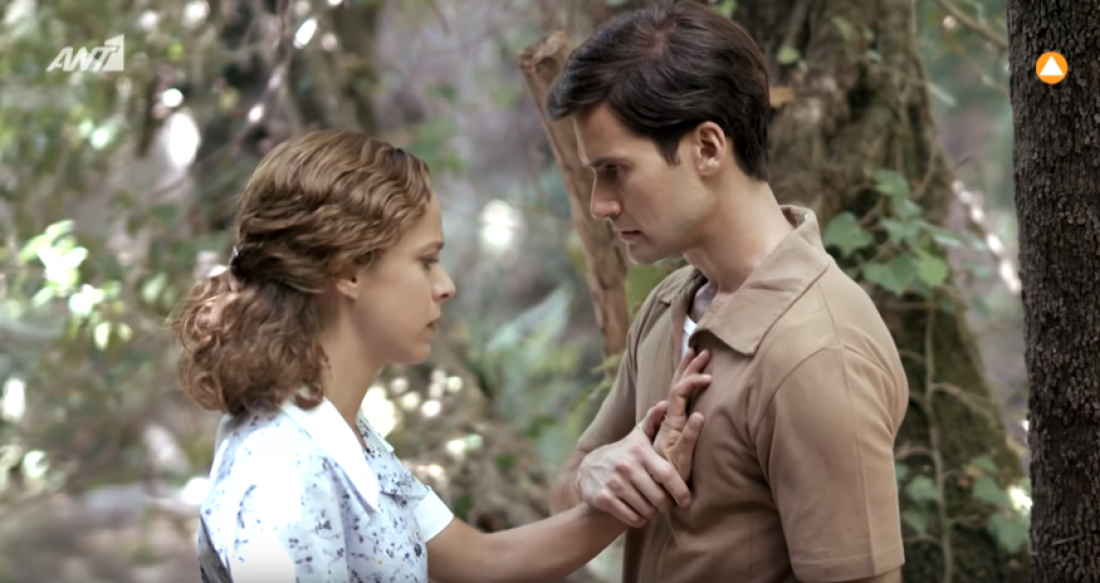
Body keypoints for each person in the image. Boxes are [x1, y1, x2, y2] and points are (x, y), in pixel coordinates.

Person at [169, 128, 712, 583]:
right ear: (347, 271)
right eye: (426, 261)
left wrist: (643, 480)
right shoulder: (279, 478)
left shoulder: (340, 434)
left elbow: (484, 561)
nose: (445, 285)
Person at [544, 2, 909, 583]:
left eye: (615, 169)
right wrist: (597, 476)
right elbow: (568, 485)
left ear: (709, 148)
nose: (600, 205)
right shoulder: (669, 304)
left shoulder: (819, 351)